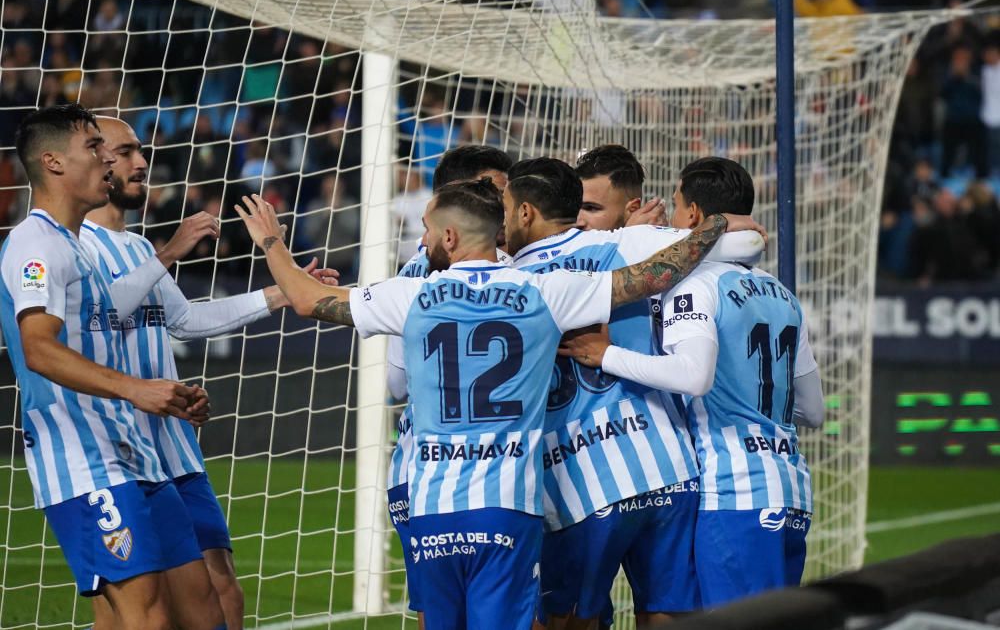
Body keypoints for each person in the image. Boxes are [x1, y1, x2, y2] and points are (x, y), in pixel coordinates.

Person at [235, 178, 765, 630]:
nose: (422, 240)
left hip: (431, 508)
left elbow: (306, 299)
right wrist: (711, 228)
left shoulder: (413, 294)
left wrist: (271, 244)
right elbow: (654, 276)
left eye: (425, 229)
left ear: (448, 236)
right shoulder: (543, 289)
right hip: (507, 508)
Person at [77, 116, 338, 630]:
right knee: (130, 602)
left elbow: (186, 320)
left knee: (222, 587)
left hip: (171, 440)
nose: (141, 162)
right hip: (116, 449)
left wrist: (282, 294)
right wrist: (170, 251)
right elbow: (99, 314)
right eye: (126, 151)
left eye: (140, 151)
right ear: (95, 159)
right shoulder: (75, 244)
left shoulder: (133, 247)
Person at [505, 152, 763, 629]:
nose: (585, 219)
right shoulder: (628, 244)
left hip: (579, 480)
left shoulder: (508, 275)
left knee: (564, 620)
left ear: (525, 211)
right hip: (668, 467)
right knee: (668, 612)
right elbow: (746, 239)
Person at [561, 157, 824, 607]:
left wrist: (608, 355)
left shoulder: (696, 282)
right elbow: (814, 411)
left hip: (736, 491)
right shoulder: (782, 294)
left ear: (696, 216)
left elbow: (692, 375)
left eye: (679, 207)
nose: (674, 222)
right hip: (792, 490)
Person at [0, 104, 216, 630]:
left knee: (202, 604)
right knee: (148, 617)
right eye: (93, 148)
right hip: (82, 462)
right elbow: (39, 349)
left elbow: (122, 332)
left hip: (131, 449)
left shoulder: (83, 251)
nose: (107, 160)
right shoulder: (34, 243)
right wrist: (138, 391)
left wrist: (166, 392)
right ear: (52, 163)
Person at [386, 144, 513, 626]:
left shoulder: (407, 277)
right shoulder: (515, 275)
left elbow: (396, 383)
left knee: (439, 616)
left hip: (420, 478)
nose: (504, 206)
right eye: (493, 191)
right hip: (492, 479)